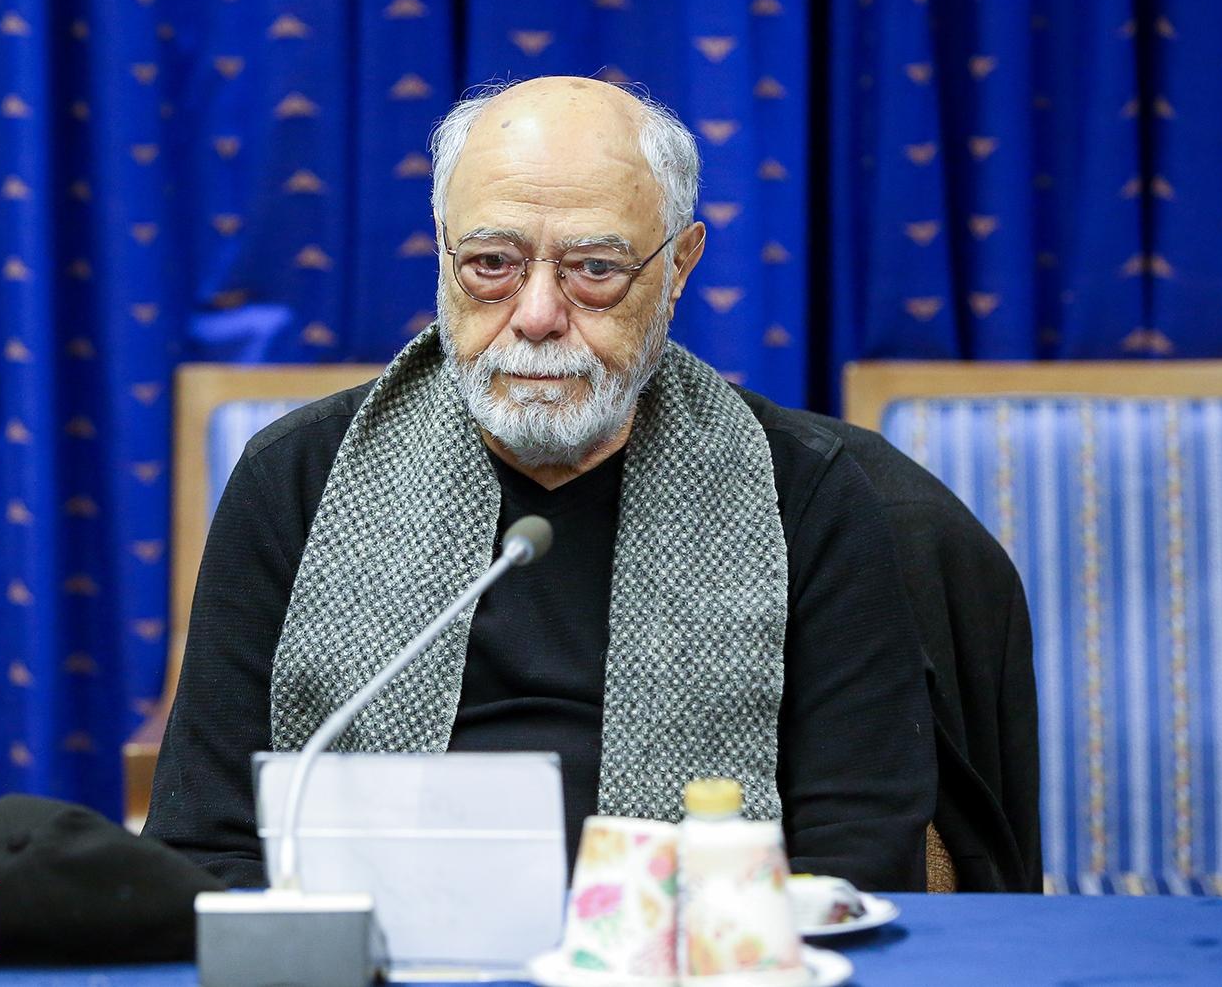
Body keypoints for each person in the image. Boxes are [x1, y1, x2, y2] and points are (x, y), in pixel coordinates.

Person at [144, 76, 936, 891]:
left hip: (695, 948)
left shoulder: (805, 494)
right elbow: (207, 842)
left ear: (679, 266)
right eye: (491, 263)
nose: (536, 315)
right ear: (443, 249)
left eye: (594, 268)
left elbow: (859, 856)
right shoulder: (296, 481)